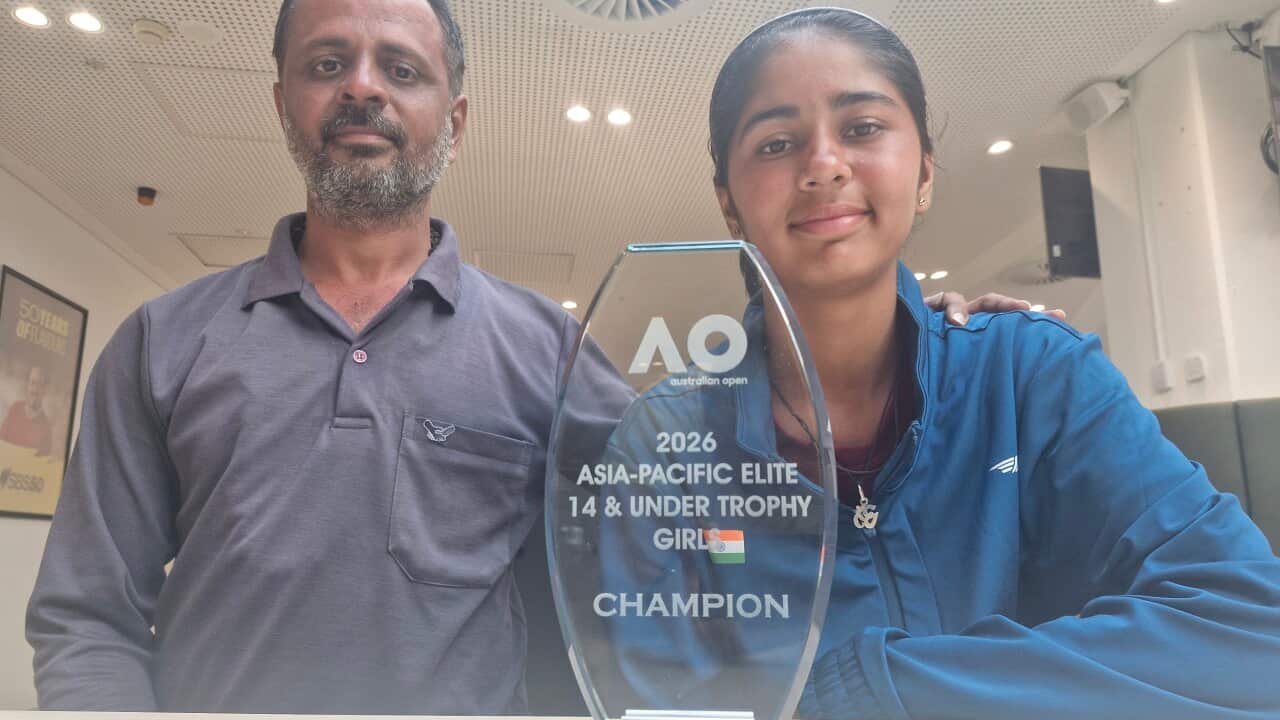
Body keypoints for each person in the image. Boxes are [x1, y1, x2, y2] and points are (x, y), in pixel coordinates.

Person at [26, 0, 1062, 713]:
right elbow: (84, 620)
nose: (362, 90)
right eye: (325, 63)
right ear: (284, 101)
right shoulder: (161, 345)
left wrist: (912, 333)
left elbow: (699, 509)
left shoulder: (546, 351)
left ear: (455, 119)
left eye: (401, 69)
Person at [595, 7, 1280, 720]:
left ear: (923, 172)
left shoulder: (1032, 374)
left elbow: (1253, 628)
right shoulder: (665, 446)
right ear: (729, 207)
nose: (824, 164)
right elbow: (656, 700)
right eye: (775, 143)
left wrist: (878, 689)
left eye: (861, 129)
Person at [0, 365, 53, 456]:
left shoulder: (46, 429)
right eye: (32, 383)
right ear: (27, 385)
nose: (35, 390)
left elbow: (42, 465)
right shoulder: (15, 409)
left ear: (45, 390)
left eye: (40, 385)